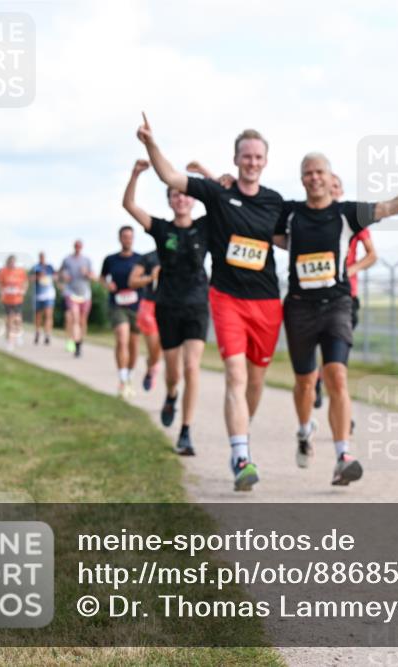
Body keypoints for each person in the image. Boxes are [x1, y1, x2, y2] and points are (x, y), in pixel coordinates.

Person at [274, 153, 398, 486]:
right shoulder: (289, 214)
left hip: (336, 304)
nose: (314, 177)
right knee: (306, 383)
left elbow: (391, 207)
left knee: (337, 376)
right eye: (308, 173)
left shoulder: (347, 213)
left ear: (330, 176)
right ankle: (305, 431)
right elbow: (263, 228)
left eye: (320, 171)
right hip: (299, 308)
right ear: (302, 178)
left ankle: (342, 455)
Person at [140, 117, 281, 492]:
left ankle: (242, 436)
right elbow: (170, 176)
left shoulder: (274, 202)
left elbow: (292, 239)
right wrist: (152, 144)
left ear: (265, 161)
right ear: (235, 160)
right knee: (234, 374)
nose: (252, 162)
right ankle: (241, 457)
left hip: (266, 301)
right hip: (225, 298)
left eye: (258, 157)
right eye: (245, 156)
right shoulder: (217, 196)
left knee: (255, 380)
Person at [123, 158, 209, 455]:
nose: (181, 198)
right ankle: (171, 394)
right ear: (170, 200)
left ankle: (186, 431)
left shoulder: (204, 228)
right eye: (175, 194)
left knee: (191, 366)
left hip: (197, 305)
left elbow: (224, 199)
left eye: (185, 194)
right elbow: (130, 205)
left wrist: (205, 175)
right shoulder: (160, 229)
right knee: (173, 373)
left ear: (193, 200)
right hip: (168, 307)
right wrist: (135, 174)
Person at [313, 173, 378, 410]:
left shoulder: (353, 218)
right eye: (330, 187)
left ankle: (338, 404)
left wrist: (348, 271)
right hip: (316, 295)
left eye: (337, 186)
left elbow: (372, 255)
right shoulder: (314, 220)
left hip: (346, 297)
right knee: (321, 351)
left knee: (338, 357)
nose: (334, 190)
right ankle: (315, 380)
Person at [101, 226, 142, 398]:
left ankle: (130, 374)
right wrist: (107, 285)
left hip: (136, 305)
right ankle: (122, 378)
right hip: (117, 304)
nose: (127, 239)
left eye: (130, 237)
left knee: (133, 344)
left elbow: (146, 279)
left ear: (133, 239)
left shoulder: (141, 259)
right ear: (120, 238)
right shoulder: (111, 259)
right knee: (122, 338)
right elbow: (102, 277)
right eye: (124, 237)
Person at [129, 248, 162, 392]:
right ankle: (151, 366)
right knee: (154, 347)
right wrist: (150, 278)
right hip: (149, 305)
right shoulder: (148, 257)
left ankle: (151, 367)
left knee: (161, 347)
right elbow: (132, 281)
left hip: (171, 306)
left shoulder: (180, 255)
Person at [59, 240, 94, 357]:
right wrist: (63, 276)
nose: (78, 248)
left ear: (82, 247)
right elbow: (59, 273)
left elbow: (94, 277)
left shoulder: (87, 260)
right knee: (75, 318)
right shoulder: (67, 260)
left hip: (85, 294)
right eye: (76, 246)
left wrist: (87, 273)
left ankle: (80, 341)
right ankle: (76, 345)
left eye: (80, 246)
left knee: (82, 321)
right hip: (71, 292)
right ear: (74, 247)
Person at [0, 255, 28, 349]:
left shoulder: (20, 271)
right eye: (10, 262)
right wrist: (2, 289)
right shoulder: (3, 271)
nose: (12, 264)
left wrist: (24, 290)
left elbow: (25, 282)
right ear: (8, 262)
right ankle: (9, 341)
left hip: (18, 298)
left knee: (17, 319)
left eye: (13, 262)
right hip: (7, 299)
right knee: (9, 320)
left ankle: (18, 334)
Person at [30, 252, 56, 345]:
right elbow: (30, 279)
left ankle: (47, 334)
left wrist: (51, 277)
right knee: (38, 316)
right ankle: (37, 332)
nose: (42, 258)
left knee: (48, 315)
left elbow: (56, 277)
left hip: (49, 295)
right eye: (40, 257)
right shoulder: (35, 267)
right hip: (38, 295)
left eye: (43, 257)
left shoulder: (50, 267)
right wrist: (38, 277)